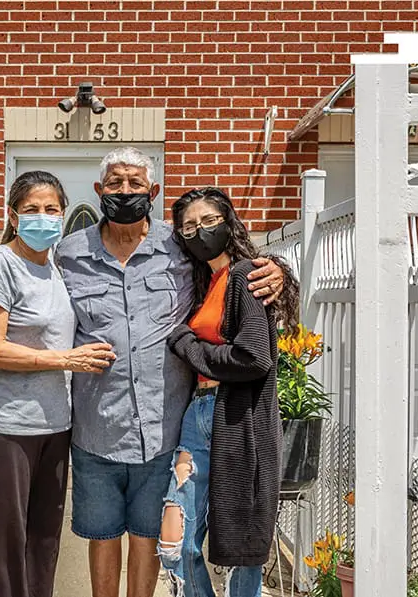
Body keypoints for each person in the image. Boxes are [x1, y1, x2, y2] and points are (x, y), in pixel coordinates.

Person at [54, 147, 287, 597]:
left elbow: (236, 265)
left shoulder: (178, 245)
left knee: (153, 536)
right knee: (102, 537)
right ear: (99, 191)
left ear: (153, 192)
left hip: (164, 426)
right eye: (116, 183)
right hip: (97, 425)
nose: (125, 192)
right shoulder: (69, 253)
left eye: (136, 184)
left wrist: (280, 271)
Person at [0, 170, 116, 597]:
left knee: (44, 543)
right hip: (5, 426)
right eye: (31, 209)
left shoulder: (55, 267)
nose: (42, 217)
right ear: (13, 217)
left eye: (51, 209)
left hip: (54, 425)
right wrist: (63, 359)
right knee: (5, 546)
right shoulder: (0, 264)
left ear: (63, 214)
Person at [158, 187, 299, 597]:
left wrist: (185, 343)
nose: (199, 232)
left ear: (229, 222)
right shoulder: (206, 282)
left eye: (208, 222)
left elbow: (253, 358)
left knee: (241, 549)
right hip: (197, 417)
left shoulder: (244, 275)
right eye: (188, 227)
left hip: (235, 417)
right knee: (176, 541)